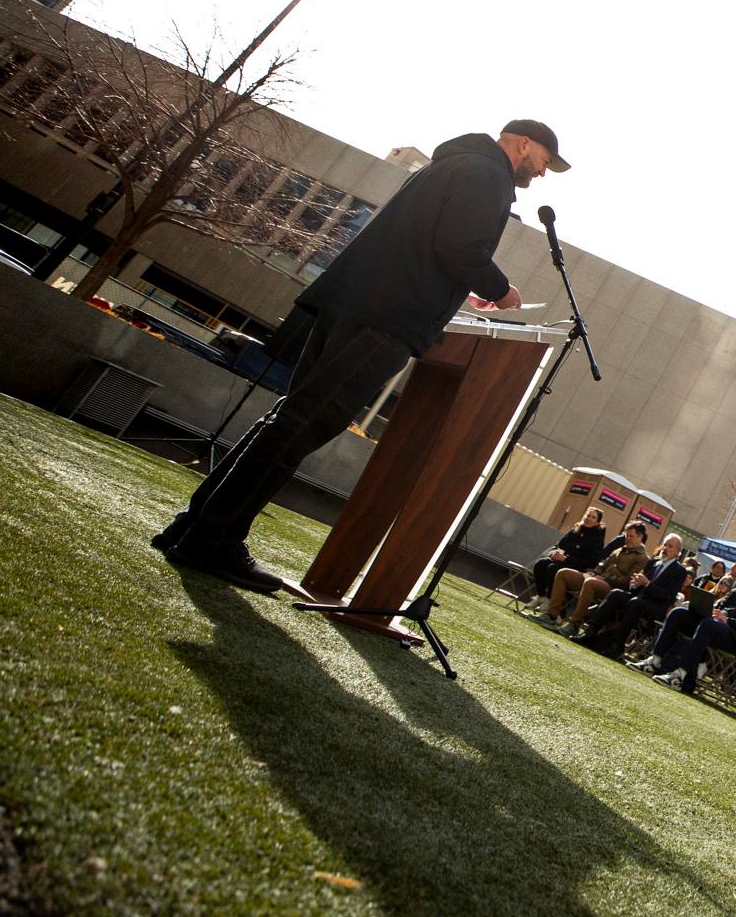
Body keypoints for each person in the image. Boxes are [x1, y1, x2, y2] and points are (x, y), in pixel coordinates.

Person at [151, 121, 567, 591]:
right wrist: (500, 290)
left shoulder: (454, 163)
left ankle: (193, 528)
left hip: (351, 306)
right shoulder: (487, 174)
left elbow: (430, 245)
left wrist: (459, 287)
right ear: (524, 144)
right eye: (545, 162)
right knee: (300, 428)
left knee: (289, 420)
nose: (544, 173)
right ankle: (212, 541)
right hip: (385, 321)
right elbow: (459, 248)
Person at [645, 561, 736, 693]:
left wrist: (728, 620)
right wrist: (707, 608)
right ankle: (654, 661)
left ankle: (681, 675)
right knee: (678, 613)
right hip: (714, 626)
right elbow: (720, 606)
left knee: (708, 625)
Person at [573, 531, 687, 657]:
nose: (665, 548)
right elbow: (634, 589)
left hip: (655, 607)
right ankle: (590, 633)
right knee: (616, 594)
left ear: (678, 552)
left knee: (635, 603)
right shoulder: (653, 562)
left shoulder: (679, 571)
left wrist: (648, 584)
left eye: (670, 546)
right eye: (665, 545)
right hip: (639, 599)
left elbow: (668, 597)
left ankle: (618, 645)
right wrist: (635, 583)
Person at [540, 520, 649, 634]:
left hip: (613, 589)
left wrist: (605, 578)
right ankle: (552, 615)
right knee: (564, 573)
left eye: (631, 536)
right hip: (597, 579)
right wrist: (595, 572)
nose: (627, 538)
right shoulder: (620, 549)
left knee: (590, 583)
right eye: (627, 535)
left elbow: (627, 582)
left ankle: (574, 624)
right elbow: (602, 565)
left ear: (640, 537)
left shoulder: (643, 558)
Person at [527, 507, 613, 609]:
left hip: (576, 569)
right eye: (587, 515)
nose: (589, 518)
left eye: (593, 517)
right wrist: (553, 553)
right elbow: (558, 546)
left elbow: (592, 562)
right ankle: (541, 597)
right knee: (541, 563)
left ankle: (550, 600)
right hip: (560, 561)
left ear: (597, 522)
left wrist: (566, 559)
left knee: (553, 568)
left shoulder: (597, 539)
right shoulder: (574, 531)